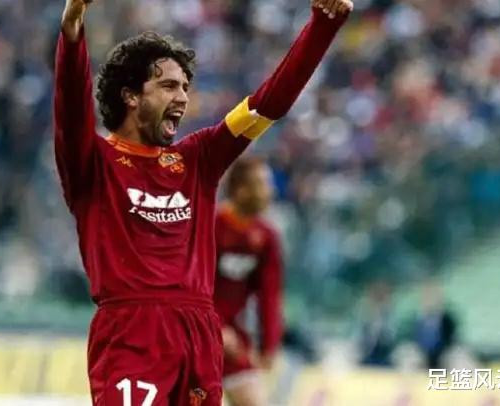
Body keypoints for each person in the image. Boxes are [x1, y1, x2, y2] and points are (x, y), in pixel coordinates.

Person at [54, 0, 353, 404]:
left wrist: (323, 25)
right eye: (168, 86)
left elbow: (267, 105)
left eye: (185, 87)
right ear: (130, 96)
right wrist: (73, 28)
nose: (182, 97)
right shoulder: (93, 163)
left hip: (198, 335)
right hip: (132, 332)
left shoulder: (198, 159)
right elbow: (71, 109)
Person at [214, 157, 283, 406]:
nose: (270, 191)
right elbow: (190, 285)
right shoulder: (212, 226)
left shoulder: (266, 236)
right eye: (262, 184)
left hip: (234, 342)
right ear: (240, 190)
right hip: (196, 334)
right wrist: (215, 326)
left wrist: (269, 345)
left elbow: (270, 294)